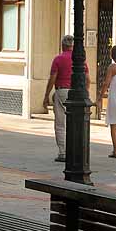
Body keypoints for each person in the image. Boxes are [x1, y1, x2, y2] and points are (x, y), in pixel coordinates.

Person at [43, 35, 88, 163]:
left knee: (60, 124)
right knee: (76, 123)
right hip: (77, 92)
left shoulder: (58, 59)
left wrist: (46, 95)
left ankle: (63, 152)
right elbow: (88, 78)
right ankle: (77, 151)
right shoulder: (80, 59)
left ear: (63, 45)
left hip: (62, 91)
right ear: (73, 46)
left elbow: (52, 78)